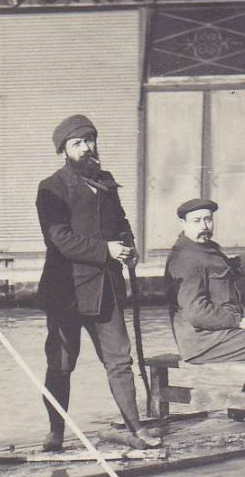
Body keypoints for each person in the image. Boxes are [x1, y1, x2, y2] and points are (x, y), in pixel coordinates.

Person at [35, 114, 160, 452]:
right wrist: (107, 250)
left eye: (90, 140)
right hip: (67, 292)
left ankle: (136, 429)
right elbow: (59, 239)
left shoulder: (105, 181)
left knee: (120, 360)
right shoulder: (51, 188)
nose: (87, 148)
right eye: (78, 143)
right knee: (61, 363)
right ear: (63, 151)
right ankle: (56, 432)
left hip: (106, 290)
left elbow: (120, 223)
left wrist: (130, 249)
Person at [164, 198, 245, 363]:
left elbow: (225, 272)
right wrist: (239, 322)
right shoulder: (185, 259)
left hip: (219, 333)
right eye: (196, 221)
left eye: (208, 219)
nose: (204, 226)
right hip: (202, 342)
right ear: (183, 223)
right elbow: (196, 312)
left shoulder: (206, 248)